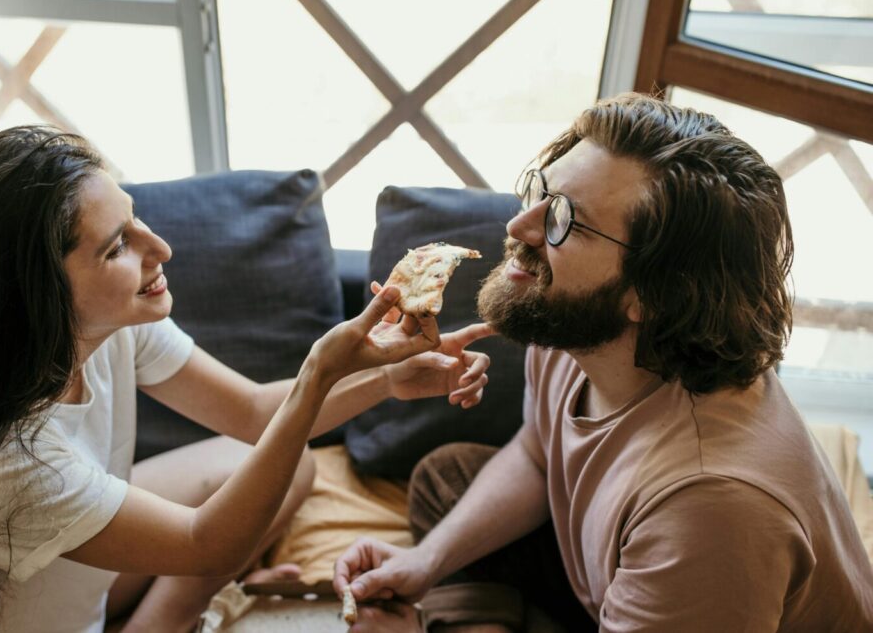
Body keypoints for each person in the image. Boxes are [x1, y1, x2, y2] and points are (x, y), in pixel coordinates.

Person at [0, 125, 495, 633]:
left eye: (134, 219)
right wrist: (323, 367)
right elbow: (208, 540)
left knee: (288, 466)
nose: (159, 249)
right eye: (116, 246)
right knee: (252, 504)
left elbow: (253, 412)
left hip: (74, 573)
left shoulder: (108, 325)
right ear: (35, 294)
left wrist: (385, 379)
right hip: (52, 603)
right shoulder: (8, 463)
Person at [334, 93, 873, 632]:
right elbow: (539, 454)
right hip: (617, 577)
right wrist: (424, 562)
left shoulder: (710, 505)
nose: (520, 226)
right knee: (446, 476)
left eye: (565, 220)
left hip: (687, 572)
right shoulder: (582, 329)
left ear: (655, 294)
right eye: (541, 190)